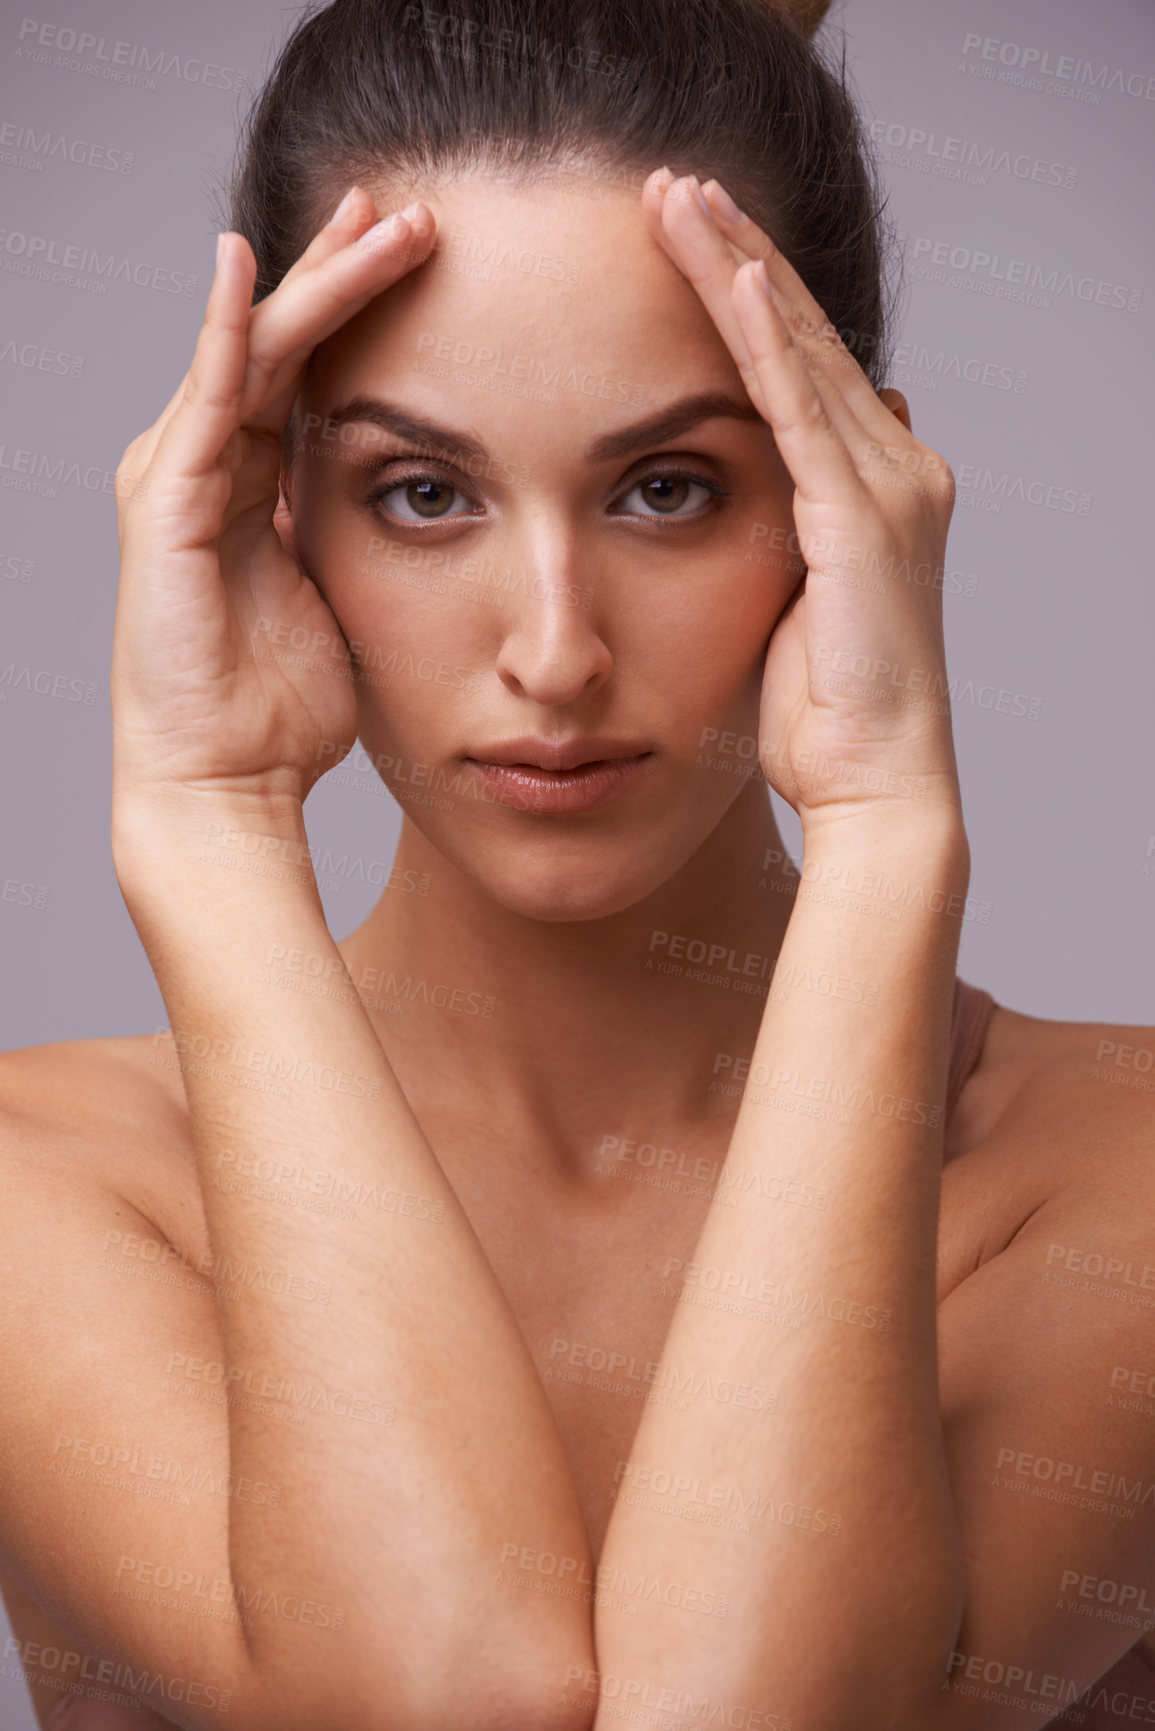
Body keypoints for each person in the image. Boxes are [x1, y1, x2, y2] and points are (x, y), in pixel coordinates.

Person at [1, 0, 1152, 1726]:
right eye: (422, 493)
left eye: (668, 489)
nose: (552, 653)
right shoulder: (43, 1193)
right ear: (268, 511)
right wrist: (204, 816)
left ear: (857, 504)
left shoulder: (1114, 1183)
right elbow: (433, 1696)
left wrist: (888, 832)